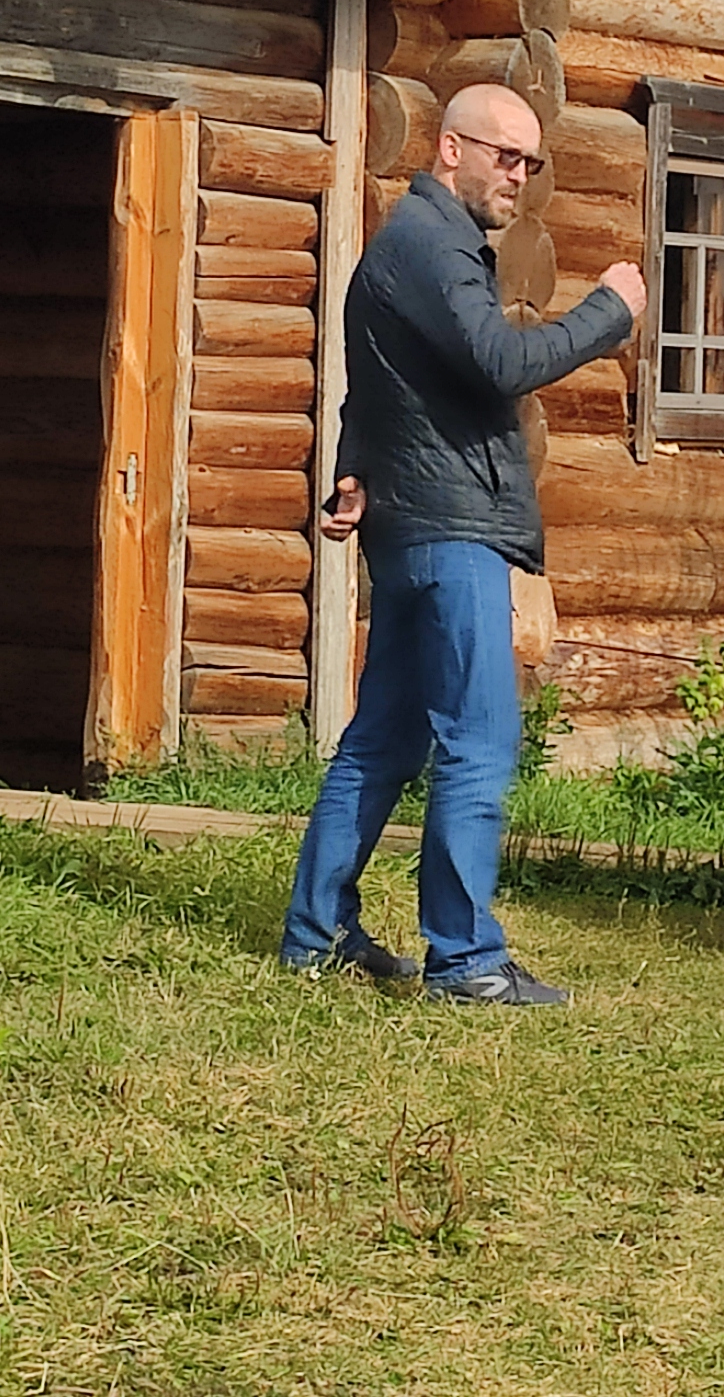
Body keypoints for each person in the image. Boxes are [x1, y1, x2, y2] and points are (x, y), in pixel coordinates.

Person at [276, 82, 643, 1007]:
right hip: (453, 530)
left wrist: (356, 472)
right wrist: (608, 312)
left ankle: (316, 937)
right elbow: (503, 363)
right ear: (450, 149)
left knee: (384, 740)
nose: (518, 176)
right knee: (478, 743)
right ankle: (466, 960)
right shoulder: (435, 244)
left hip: (415, 526)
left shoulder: (409, 244)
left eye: (531, 162)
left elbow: (377, 383)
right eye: (504, 156)